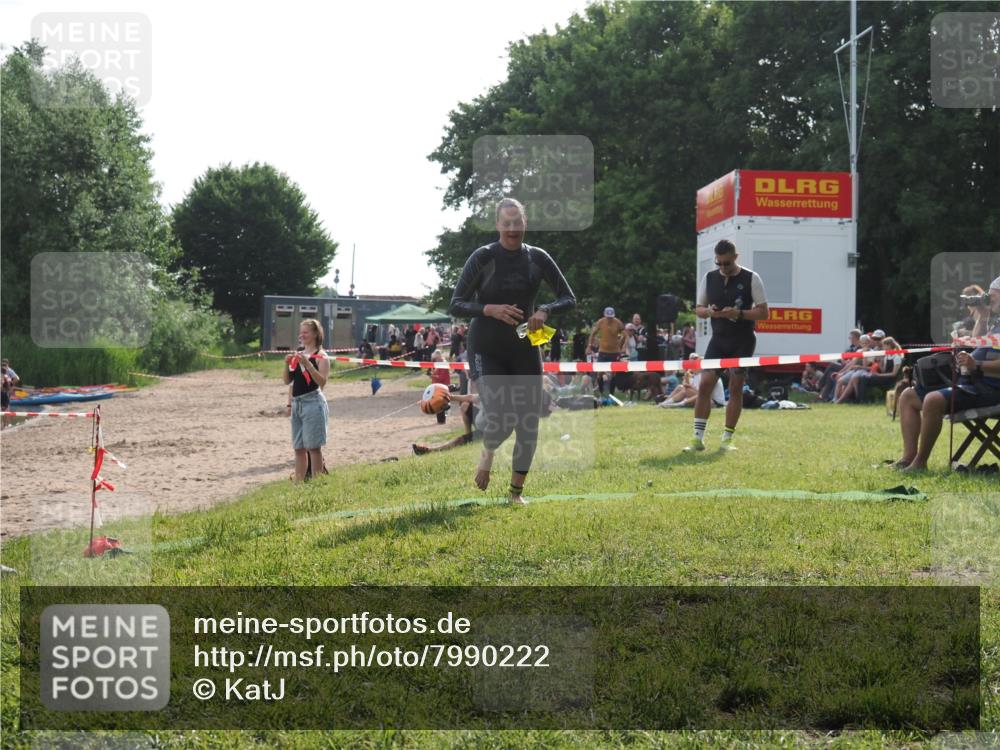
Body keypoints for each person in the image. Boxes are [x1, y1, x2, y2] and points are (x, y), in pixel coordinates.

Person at [448, 197, 576, 504]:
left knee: (529, 421)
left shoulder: (538, 258)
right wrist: (488, 309)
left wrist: (544, 309)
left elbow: (568, 298)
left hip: (524, 348)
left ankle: (515, 494)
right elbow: (456, 304)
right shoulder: (483, 257)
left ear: (525, 223)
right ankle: (488, 452)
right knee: (503, 414)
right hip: (486, 348)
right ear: (497, 225)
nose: (512, 229)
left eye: (517, 222)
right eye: (506, 223)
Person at [894, 277, 1000, 471]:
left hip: (991, 390)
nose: (988, 298)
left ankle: (920, 463)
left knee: (933, 400)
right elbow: (978, 342)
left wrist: (977, 364)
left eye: (992, 295)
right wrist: (982, 317)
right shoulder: (997, 323)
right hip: (973, 383)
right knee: (908, 396)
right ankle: (908, 457)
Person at [687, 239, 768, 451]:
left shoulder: (752, 278)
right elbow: (698, 308)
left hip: (742, 340)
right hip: (718, 339)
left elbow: (764, 312)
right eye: (719, 263)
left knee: (735, 387)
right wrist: (710, 312)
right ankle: (697, 438)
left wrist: (739, 313)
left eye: (726, 263)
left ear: (735, 257)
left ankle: (727, 438)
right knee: (705, 384)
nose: (722, 268)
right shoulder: (710, 278)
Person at [282, 319, 330, 482]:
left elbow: (322, 382)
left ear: (316, 334)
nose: (301, 335)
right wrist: (286, 364)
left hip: (313, 403)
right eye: (300, 332)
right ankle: (299, 483)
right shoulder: (299, 353)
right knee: (299, 448)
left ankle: (317, 483)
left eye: (305, 332)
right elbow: (287, 381)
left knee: (314, 448)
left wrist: (307, 364)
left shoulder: (321, 356)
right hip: (297, 404)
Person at [818, 328, 862, 401]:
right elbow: (842, 357)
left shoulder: (860, 348)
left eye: (850, 337)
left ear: (855, 338)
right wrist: (843, 360)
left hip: (849, 368)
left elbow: (854, 361)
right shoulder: (850, 347)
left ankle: (819, 384)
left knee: (831, 365)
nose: (849, 339)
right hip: (844, 365)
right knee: (830, 373)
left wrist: (847, 361)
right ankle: (824, 396)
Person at [590, 307, 625, 395]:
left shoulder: (618, 323)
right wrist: (589, 345)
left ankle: (611, 394)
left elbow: (625, 335)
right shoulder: (601, 322)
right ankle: (601, 392)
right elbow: (593, 333)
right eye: (608, 317)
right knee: (600, 373)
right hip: (603, 351)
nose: (609, 319)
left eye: (611, 317)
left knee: (613, 373)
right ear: (605, 316)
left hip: (615, 352)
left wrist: (622, 345)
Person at [427, 350, 452, 424]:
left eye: (435, 358)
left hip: (443, 385)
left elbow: (442, 377)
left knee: (441, 403)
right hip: (437, 385)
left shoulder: (443, 364)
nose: (435, 360)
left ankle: (442, 419)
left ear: (439, 357)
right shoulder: (436, 363)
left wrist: (432, 376)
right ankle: (440, 419)